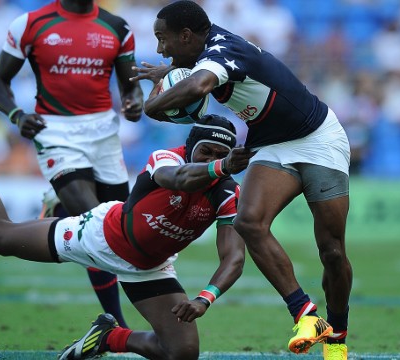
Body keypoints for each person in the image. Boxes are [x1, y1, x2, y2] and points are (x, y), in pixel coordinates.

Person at [0, 114, 255, 360]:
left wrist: (205, 299)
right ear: (190, 147)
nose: (213, 158)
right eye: (206, 150)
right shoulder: (167, 158)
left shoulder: (226, 193)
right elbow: (177, 181)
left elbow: (234, 257)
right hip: (100, 237)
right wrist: (220, 165)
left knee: (182, 352)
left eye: (222, 154)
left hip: (149, 267)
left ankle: (107, 338)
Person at [131, 1, 353, 359]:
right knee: (249, 222)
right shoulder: (203, 50)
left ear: (186, 35)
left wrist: (151, 107)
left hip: (318, 139)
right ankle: (306, 315)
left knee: (332, 250)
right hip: (270, 144)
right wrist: (167, 72)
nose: (160, 48)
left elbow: (199, 85)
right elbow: (188, 70)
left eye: (163, 39)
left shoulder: (222, 52)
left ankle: (338, 341)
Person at [0, 0, 145, 328]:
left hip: (104, 132)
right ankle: (115, 325)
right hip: (55, 131)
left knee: (121, 226)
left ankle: (58, 208)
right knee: (97, 228)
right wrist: (17, 116)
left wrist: (133, 102)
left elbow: (130, 86)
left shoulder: (117, 27)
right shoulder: (29, 24)